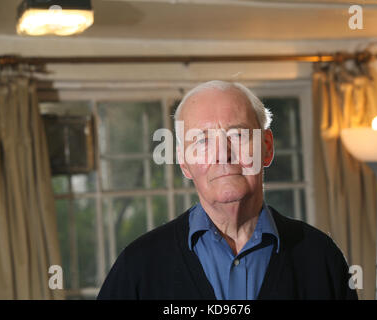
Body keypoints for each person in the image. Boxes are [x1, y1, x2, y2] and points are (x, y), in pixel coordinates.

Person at [97, 80, 358, 300]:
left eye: (239, 135)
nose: (224, 154)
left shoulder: (320, 256)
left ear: (267, 147)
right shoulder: (139, 265)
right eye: (203, 140)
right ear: (184, 163)